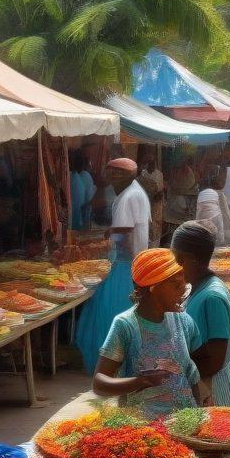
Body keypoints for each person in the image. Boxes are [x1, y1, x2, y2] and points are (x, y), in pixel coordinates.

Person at [93, 249, 203, 418]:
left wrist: (199, 413)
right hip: (144, 427)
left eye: (184, 284)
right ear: (153, 288)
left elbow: (191, 373)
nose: (183, 291)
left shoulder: (183, 321)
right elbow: (100, 383)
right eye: (176, 285)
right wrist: (142, 381)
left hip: (184, 421)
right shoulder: (126, 325)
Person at [76, 158, 152, 372]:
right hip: (134, 263)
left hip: (124, 265)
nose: (108, 178)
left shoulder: (128, 196)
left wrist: (113, 246)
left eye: (111, 173)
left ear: (120, 176)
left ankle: (109, 364)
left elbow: (125, 235)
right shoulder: (137, 192)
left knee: (107, 314)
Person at [172, 222, 230, 407]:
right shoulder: (195, 288)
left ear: (188, 259)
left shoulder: (212, 297)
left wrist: (173, 373)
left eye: (175, 259)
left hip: (213, 391)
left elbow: (215, 361)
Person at [138, 156, 166, 247]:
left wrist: (156, 196)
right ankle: (146, 244)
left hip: (156, 204)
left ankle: (155, 246)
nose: (151, 165)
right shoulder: (143, 173)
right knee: (146, 224)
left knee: (156, 225)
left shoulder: (159, 174)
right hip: (145, 202)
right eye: (149, 163)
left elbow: (161, 191)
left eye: (153, 164)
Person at [195, 170, 227, 243]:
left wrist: (197, 221)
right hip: (215, 215)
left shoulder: (201, 193)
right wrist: (221, 239)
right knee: (216, 237)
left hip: (203, 214)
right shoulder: (218, 193)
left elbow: (199, 209)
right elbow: (220, 212)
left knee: (202, 234)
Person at [69, 152, 96, 231]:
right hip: (80, 217)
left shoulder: (75, 177)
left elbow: (81, 200)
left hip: (77, 217)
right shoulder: (80, 176)